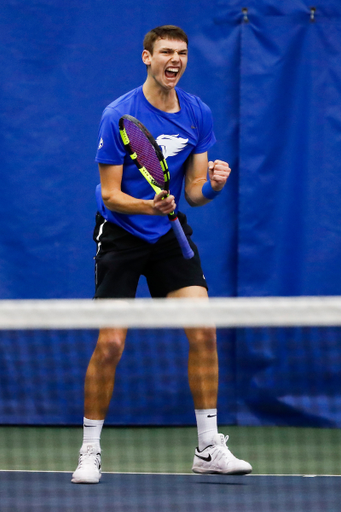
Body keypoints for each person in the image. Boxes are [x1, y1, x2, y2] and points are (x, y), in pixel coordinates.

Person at [72, 25, 252, 484]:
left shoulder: (197, 113)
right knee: (111, 343)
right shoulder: (119, 115)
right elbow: (110, 195)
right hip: (121, 234)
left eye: (182, 53)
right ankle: (89, 451)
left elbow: (192, 192)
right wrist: (148, 204)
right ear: (147, 57)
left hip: (169, 233)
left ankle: (208, 447)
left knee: (204, 330)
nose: (175, 60)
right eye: (166, 52)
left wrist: (212, 185)